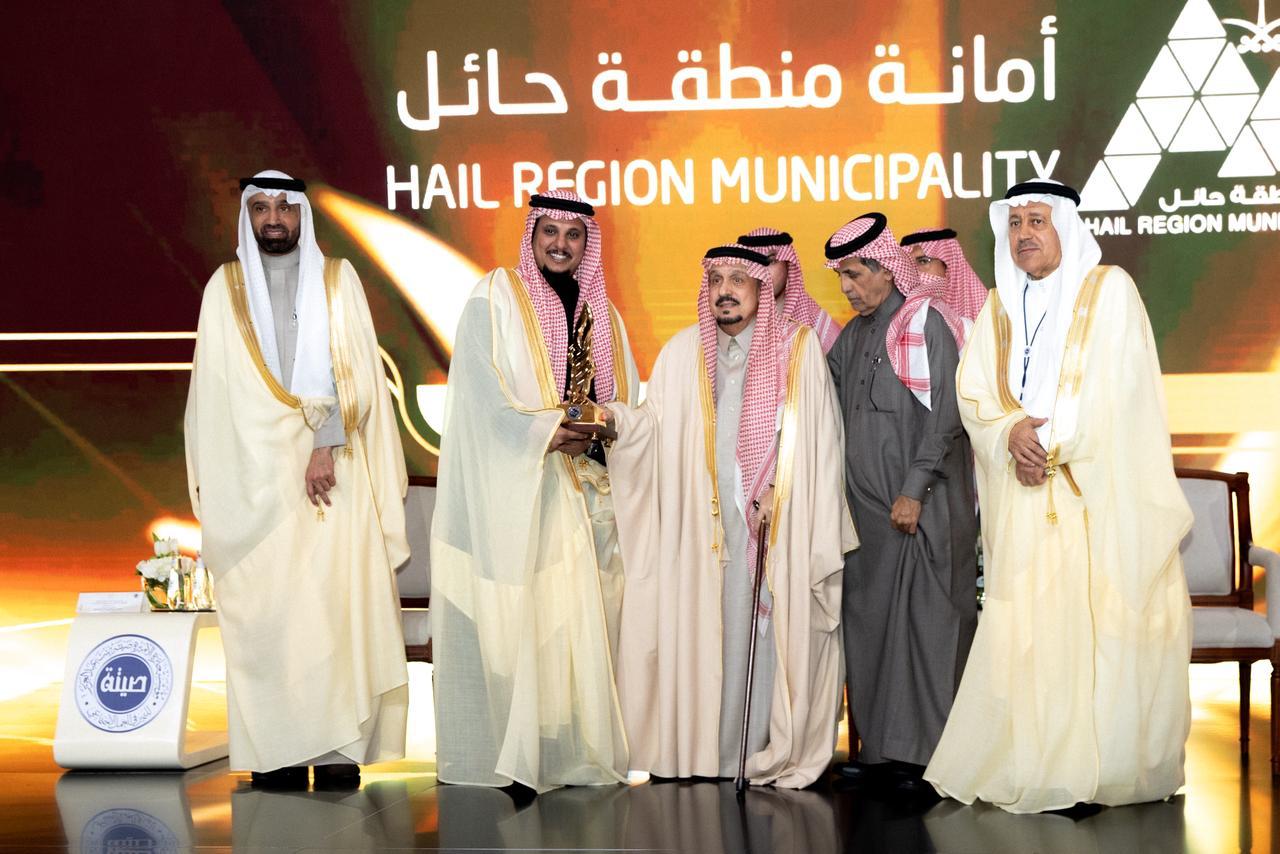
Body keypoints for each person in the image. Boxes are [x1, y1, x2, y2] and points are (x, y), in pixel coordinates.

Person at [924, 180, 1193, 813]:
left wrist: (1050, 446)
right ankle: (1036, 765)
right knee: (1028, 633)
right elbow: (973, 391)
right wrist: (1011, 433)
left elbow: (1119, 390)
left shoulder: (1109, 291)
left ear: (1065, 227)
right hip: (1020, 501)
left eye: (1037, 221)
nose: (1024, 234)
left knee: (1092, 632)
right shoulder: (997, 307)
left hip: (1091, 495)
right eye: (1015, 222)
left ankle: (1096, 771)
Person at [185, 170, 410, 789]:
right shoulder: (223, 288)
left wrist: (324, 442)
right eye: (261, 208)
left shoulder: (337, 279)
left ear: (302, 215)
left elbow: (354, 371)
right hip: (253, 484)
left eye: (285, 207)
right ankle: (277, 751)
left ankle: (337, 750)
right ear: (247, 216)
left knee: (333, 611)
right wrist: (251, 461)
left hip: (330, 473)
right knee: (270, 619)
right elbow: (214, 392)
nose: (274, 218)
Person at [605, 243, 856, 788]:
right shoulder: (681, 354)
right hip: (700, 532)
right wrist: (615, 422)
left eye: (738, 279)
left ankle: (756, 749)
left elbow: (819, 440)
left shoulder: (796, 349)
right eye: (716, 279)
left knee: (761, 638)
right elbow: (652, 426)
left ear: (761, 288)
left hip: (772, 528)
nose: (725, 291)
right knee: (704, 635)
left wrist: (781, 492)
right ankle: (701, 753)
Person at [430, 190, 640, 793]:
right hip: (526, 489)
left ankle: (572, 751)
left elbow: (622, 401)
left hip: (590, 489)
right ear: (533, 235)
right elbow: (479, 393)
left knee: (581, 628)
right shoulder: (494, 296)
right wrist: (546, 432)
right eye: (550, 231)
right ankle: (522, 757)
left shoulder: (603, 314)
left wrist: (603, 427)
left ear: (586, 244)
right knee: (531, 625)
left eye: (574, 235)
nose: (561, 245)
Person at [822, 214, 978, 795]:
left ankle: (931, 759)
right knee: (873, 629)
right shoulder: (854, 335)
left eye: (855, 275)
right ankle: (883, 753)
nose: (847, 288)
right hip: (867, 518)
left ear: (887, 270)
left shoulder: (925, 323)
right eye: (841, 279)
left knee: (928, 630)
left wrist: (913, 488)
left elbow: (947, 418)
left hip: (923, 508)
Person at [737, 227, 842, 352]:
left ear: (788, 265)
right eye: (752, 263)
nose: (760, 272)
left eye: (770, 261)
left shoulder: (817, 322)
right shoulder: (730, 318)